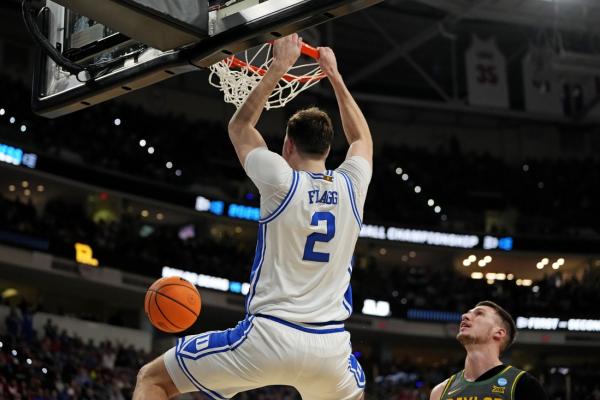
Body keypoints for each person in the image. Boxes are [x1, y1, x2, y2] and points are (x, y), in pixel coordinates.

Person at [133, 33, 372, 399]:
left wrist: (279, 66)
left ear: (287, 145)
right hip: (331, 349)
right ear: (328, 148)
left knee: (153, 379)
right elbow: (362, 139)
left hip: (270, 336)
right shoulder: (352, 185)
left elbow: (240, 128)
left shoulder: (280, 179)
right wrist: (335, 76)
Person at [430, 301, 548, 400]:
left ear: (499, 333)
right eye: (467, 313)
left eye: (479, 313)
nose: (464, 316)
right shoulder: (439, 391)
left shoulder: (523, 385)